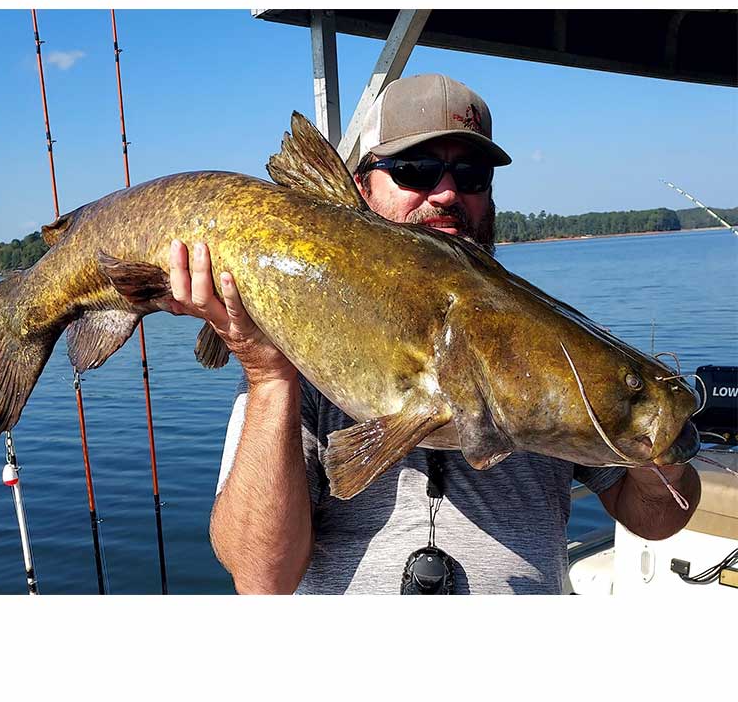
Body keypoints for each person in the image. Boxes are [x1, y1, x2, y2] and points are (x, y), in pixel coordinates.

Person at [166, 73, 701, 594]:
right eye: (415, 170)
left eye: (471, 176)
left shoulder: (553, 347)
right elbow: (262, 579)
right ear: (360, 188)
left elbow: (653, 521)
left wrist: (660, 455)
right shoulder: (293, 345)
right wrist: (267, 378)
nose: (446, 193)